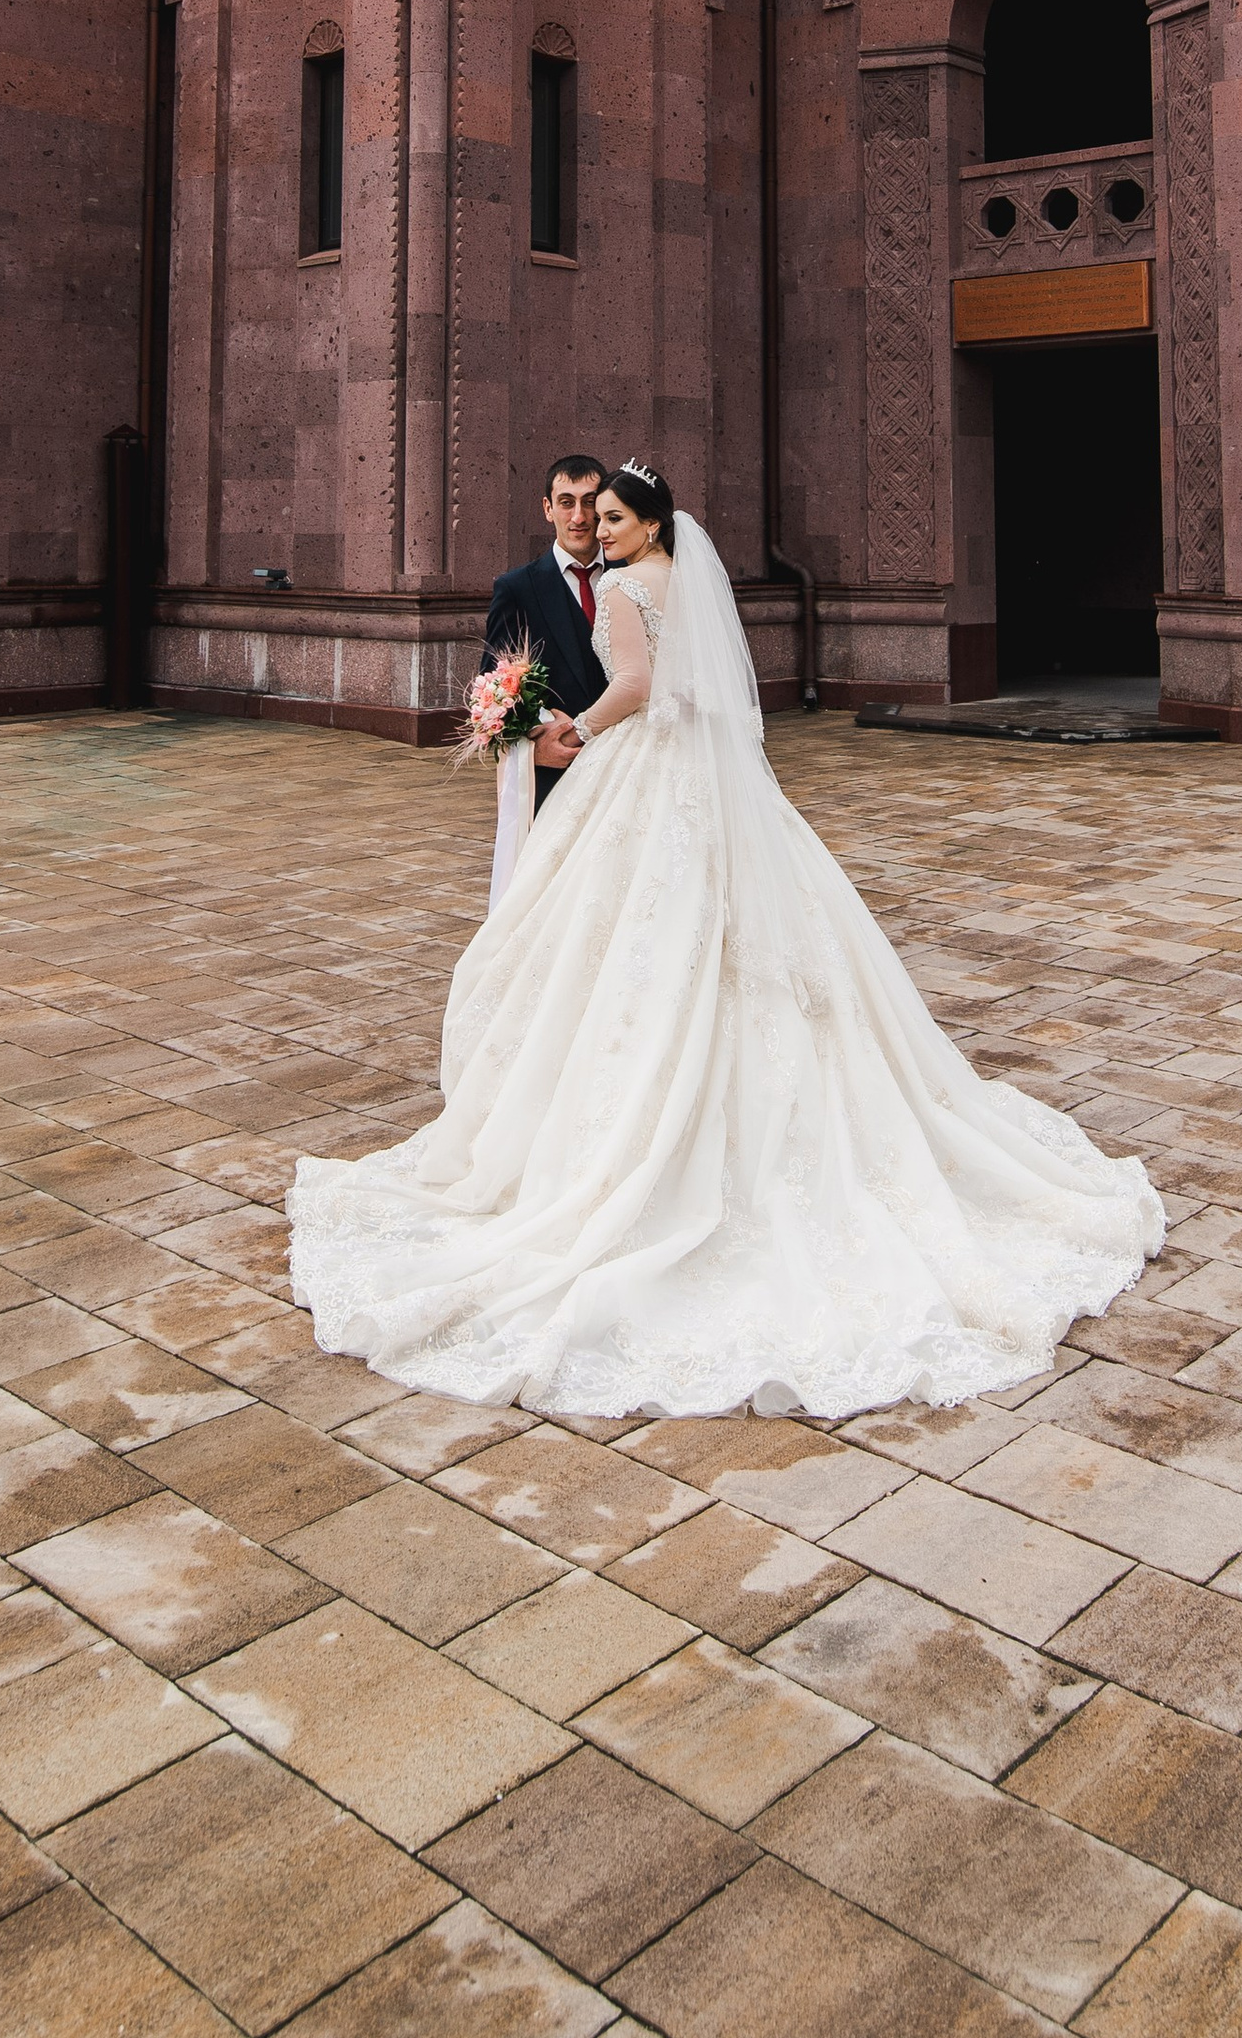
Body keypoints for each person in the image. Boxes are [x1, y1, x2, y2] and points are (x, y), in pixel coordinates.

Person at [292, 459, 1164, 1421]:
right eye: (590, 514)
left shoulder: (629, 585)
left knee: (638, 933)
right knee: (701, 928)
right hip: (702, 775)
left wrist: (578, 728)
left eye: (613, 515)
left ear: (650, 522)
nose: (600, 528)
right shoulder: (683, 582)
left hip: (639, 768)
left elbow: (634, 682)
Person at [482, 452, 611, 805]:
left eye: (590, 502)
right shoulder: (517, 588)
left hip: (629, 764)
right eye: (566, 503)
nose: (579, 517)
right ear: (548, 509)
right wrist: (537, 742)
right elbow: (494, 685)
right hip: (557, 771)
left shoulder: (633, 575)